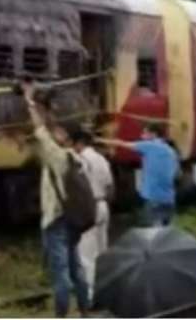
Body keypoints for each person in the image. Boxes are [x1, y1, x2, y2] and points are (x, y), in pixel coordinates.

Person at [19, 82, 88, 317]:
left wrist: (29, 101)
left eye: (59, 132)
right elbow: (49, 128)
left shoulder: (57, 157)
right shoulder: (74, 157)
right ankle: (84, 310)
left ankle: (61, 314)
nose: (56, 131)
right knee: (76, 268)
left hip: (56, 221)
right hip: (71, 219)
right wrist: (46, 106)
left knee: (61, 274)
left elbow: (40, 130)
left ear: (62, 140)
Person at [98, 123, 179, 226]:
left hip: (153, 198)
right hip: (169, 198)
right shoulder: (171, 151)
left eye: (145, 133)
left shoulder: (148, 146)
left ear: (153, 134)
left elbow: (121, 143)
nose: (142, 136)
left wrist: (98, 140)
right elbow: (176, 174)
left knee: (152, 235)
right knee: (167, 234)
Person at [71, 129, 114, 302]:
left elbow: (75, 186)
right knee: (102, 250)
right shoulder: (102, 159)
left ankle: (90, 296)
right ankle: (106, 288)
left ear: (79, 143)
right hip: (102, 204)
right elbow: (110, 186)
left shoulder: (80, 159)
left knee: (86, 253)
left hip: (87, 207)